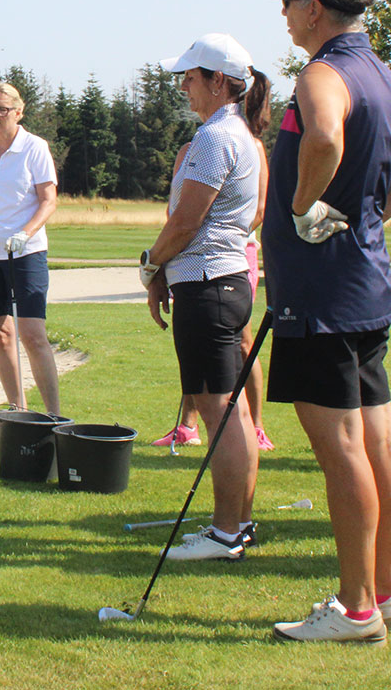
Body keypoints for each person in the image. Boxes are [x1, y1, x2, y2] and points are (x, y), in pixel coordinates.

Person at [257, 0, 391, 643]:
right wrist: (373, 216)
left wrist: (308, 206)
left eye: (286, 2)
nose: (281, 14)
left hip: (322, 288)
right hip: (361, 282)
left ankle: (357, 607)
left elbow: (326, 140)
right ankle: (386, 594)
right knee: (376, 437)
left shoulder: (325, 74)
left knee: (339, 447)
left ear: (313, 8)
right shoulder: (380, 72)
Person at [140, 34, 271, 561]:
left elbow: (187, 221)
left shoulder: (217, 138)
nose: (183, 87)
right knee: (228, 409)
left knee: (221, 412)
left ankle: (226, 532)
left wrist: (151, 265)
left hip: (209, 286)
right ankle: (236, 524)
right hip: (220, 283)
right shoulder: (232, 132)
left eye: (190, 78)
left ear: (220, 81)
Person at [151, 139, 274, 453]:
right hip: (190, 257)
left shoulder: (251, 146)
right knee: (195, 344)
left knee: (243, 341)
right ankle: (188, 426)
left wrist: (214, 231)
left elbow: (259, 208)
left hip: (233, 252)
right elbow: (175, 210)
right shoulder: (188, 150)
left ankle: (256, 426)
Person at [0, 81, 60, 413]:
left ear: (19, 111)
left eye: (2, 109)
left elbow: (48, 200)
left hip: (26, 251)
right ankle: (18, 412)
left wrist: (26, 232)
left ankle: (53, 415)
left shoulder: (34, 147)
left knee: (32, 335)